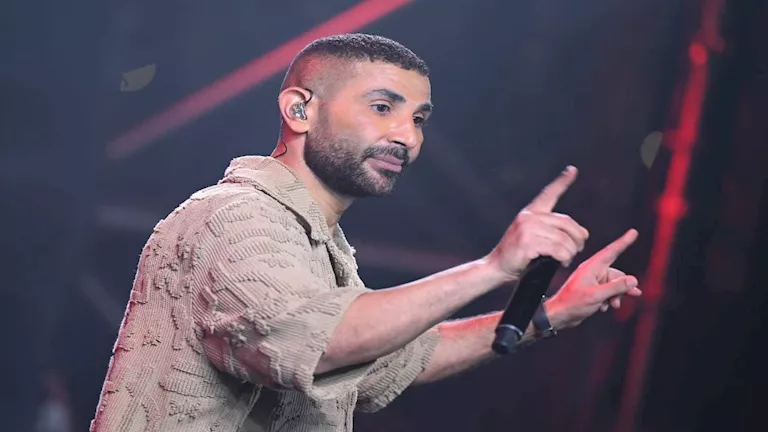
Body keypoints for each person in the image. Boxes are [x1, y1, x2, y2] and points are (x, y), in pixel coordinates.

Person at [89, 33, 641, 432]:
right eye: (382, 108)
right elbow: (312, 343)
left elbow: (396, 360)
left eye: (419, 119)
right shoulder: (233, 216)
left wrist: (551, 314)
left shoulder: (320, 246)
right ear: (300, 110)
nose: (408, 137)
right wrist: (493, 268)